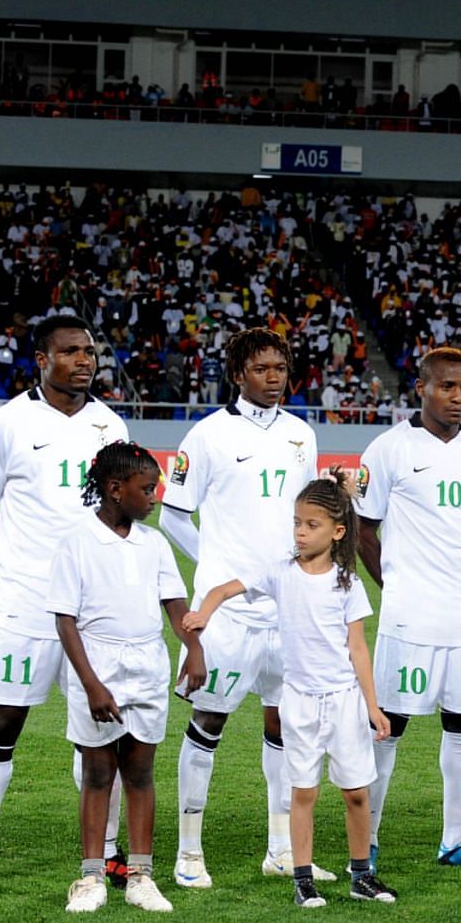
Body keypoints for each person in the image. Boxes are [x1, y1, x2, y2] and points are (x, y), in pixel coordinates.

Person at [0, 314, 130, 901]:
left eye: (90, 351)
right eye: (71, 352)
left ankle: (106, 853)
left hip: (96, 608)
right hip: (27, 604)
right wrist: (25, 561)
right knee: (3, 725)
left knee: (100, 733)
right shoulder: (8, 423)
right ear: (41, 360)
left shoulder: (110, 426)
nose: (85, 360)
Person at [185, 475, 398, 907]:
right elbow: (225, 587)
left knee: (356, 793)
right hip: (298, 702)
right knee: (303, 792)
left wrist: (372, 707)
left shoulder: (347, 585)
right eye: (297, 523)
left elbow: (358, 648)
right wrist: (203, 613)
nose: (300, 532)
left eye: (311, 525)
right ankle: (302, 879)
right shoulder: (280, 573)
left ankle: (362, 876)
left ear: (337, 532)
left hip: (344, 702)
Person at [160, 327, 323, 888]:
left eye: (280, 367)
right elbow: (173, 514)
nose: (274, 377)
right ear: (237, 374)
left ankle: (281, 848)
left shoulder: (302, 435)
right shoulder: (207, 436)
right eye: (262, 368)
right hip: (229, 612)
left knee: (285, 724)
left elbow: (306, 515)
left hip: (288, 608)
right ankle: (187, 854)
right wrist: (224, 570)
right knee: (208, 722)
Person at [357, 347, 461, 868]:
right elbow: (362, 528)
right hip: (409, 618)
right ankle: (365, 841)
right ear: (422, 387)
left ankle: (456, 838)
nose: (458, 397)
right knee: (387, 729)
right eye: (447, 387)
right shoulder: (389, 448)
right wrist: (393, 583)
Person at [50, 442, 206, 914]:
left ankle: (140, 875)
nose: (154, 496)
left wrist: (194, 648)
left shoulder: (153, 543)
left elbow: (175, 605)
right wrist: (92, 684)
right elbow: (65, 620)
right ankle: (92, 876)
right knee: (98, 773)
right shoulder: (77, 543)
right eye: (146, 489)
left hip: (147, 664)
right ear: (115, 490)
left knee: (139, 772)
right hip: (96, 663)